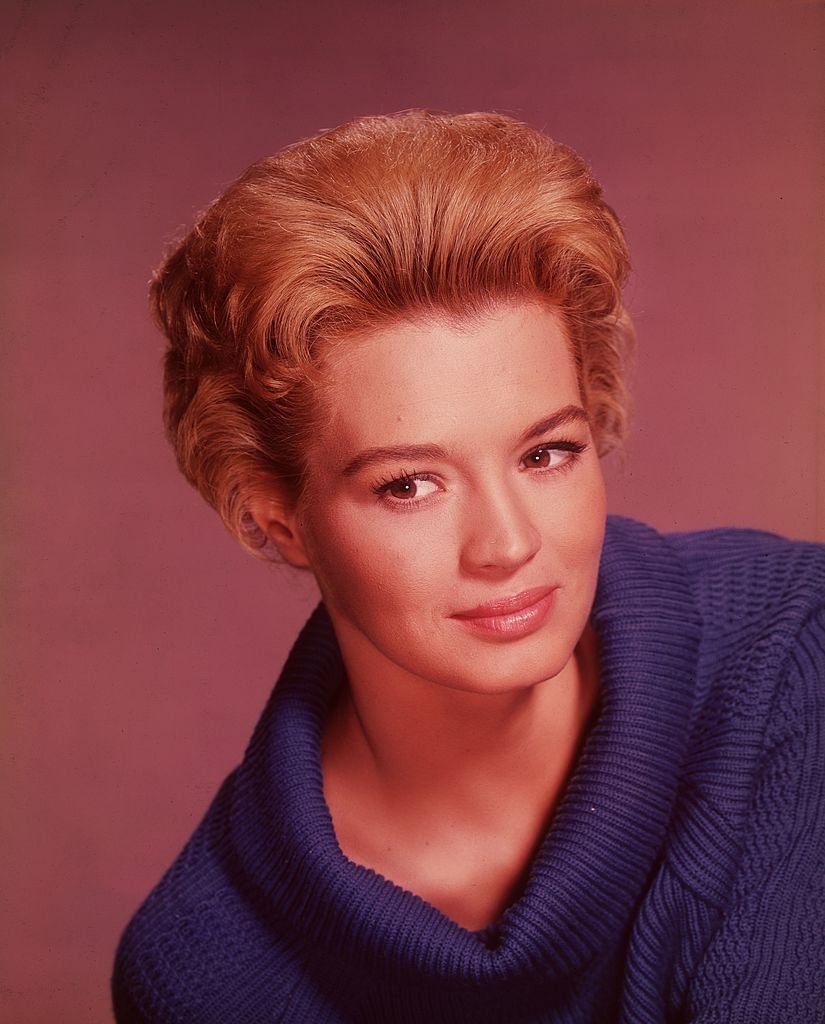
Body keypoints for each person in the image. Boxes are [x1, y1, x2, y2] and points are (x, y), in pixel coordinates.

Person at [111, 110, 825, 1023]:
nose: (507, 544)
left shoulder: (793, 662)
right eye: (409, 484)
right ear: (278, 516)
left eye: (546, 454)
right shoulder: (205, 971)